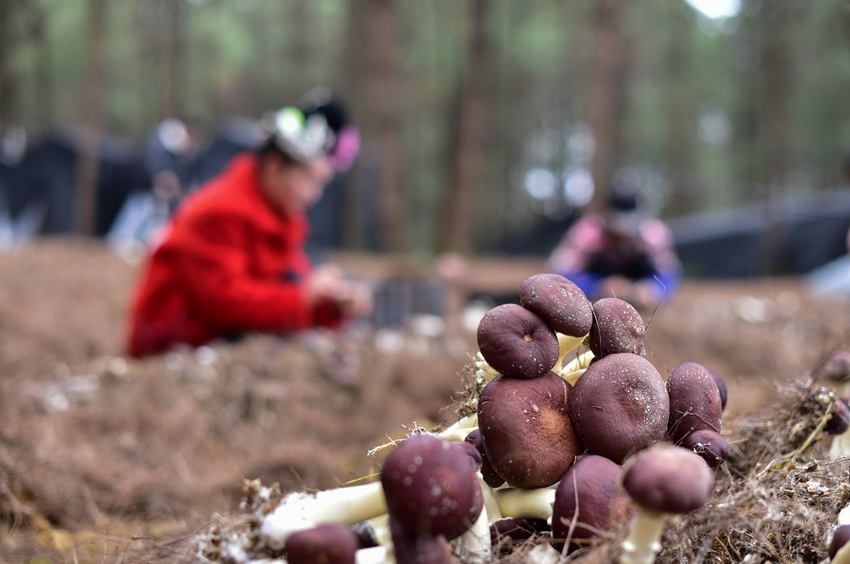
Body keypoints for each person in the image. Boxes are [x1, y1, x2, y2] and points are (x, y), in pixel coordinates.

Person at [126, 91, 369, 358]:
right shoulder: (219, 212)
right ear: (275, 166)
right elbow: (226, 303)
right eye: (308, 179)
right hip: (168, 356)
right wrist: (305, 296)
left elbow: (285, 291)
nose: (314, 194)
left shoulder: (279, 217)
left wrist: (328, 305)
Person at [548, 182, 680, 310]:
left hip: (639, 286)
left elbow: (670, 275)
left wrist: (652, 290)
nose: (622, 239)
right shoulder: (588, 233)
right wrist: (596, 286)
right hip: (598, 282)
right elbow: (561, 272)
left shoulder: (653, 234)